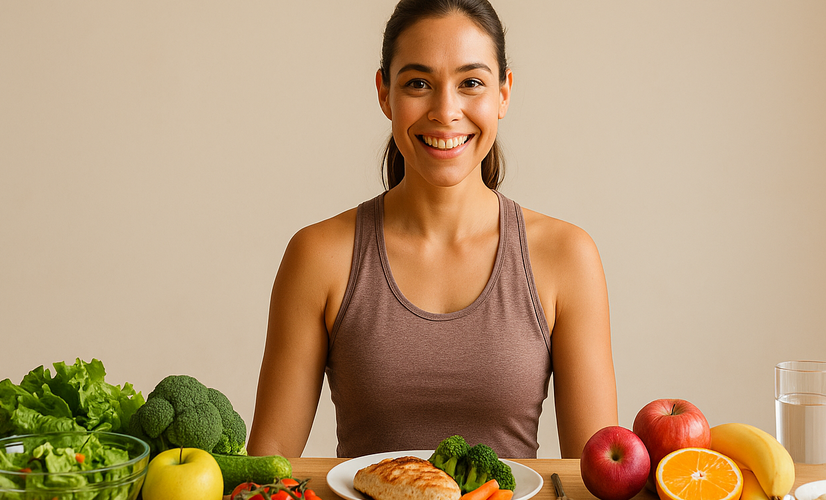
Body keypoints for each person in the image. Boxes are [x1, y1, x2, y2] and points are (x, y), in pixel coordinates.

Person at [247, 0, 617, 459]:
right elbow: (266, 469)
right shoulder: (318, 255)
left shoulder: (566, 256)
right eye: (419, 83)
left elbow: (598, 478)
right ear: (384, 93)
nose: (446, 111)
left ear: (504, 93)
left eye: (471, 83)